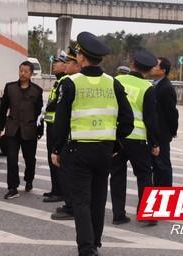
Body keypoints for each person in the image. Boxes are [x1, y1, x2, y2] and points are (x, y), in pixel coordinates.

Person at [52, 32, 133, 256]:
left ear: (81, 57)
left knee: (80, 201)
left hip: (79, 150)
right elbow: (127, 120)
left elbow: (61, 121)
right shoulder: (113, 83)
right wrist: (115, 144)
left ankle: (87, 249)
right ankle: (95, 243)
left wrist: (56, 149)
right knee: (98, 200)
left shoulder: (71, 83)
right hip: (105, 150)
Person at [110, 50, 160, 227]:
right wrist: (154, 143)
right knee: (144, 175)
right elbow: (150, 119)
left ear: (132, 64)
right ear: (149, 70)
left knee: (117, 175)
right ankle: (147, 214)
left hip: (116, 137)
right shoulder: (148, 88)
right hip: (137, 138)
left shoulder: (117, 80)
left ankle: (118, 214)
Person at [0, 61, 44, 200]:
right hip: (12, 130)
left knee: (30, 159)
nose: (22, 73)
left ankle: (29, 179)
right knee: (11, 159)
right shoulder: (10, 88)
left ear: (31, 74)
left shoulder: (37, 91)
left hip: (29, 130)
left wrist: (40, 130)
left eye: (26, 71)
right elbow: (3, 109)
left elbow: (40, 113)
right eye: (21, 70)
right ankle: (13, 188)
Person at [51, 46, 82, 220]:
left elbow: (63, 116)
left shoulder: (71, 83)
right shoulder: (107, 82)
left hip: (73, 137)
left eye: (69, 62)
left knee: (69, 172)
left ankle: (72, 206)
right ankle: (72, 204)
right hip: (88, 139)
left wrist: (57, 147)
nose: (65, 65)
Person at [149, 56, 179, 186]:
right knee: (156, 167)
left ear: (163, 70)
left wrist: (172, 132)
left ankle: (166, 194)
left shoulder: (166, 88)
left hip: (162, 134)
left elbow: (172, 113)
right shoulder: (154, 85)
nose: (152, 67)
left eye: (156, 65)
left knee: (163, 167)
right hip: (154, 134)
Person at [43, 54, 67, 203]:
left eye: (57, 62)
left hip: (57, 126)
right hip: (52, 124)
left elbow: (57, 103)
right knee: (51, 158)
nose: (54, 64)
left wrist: (48, 107)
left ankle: (59, 192)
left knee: (56, 158)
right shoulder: (58, 81)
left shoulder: (65, 81)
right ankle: (55, 189)